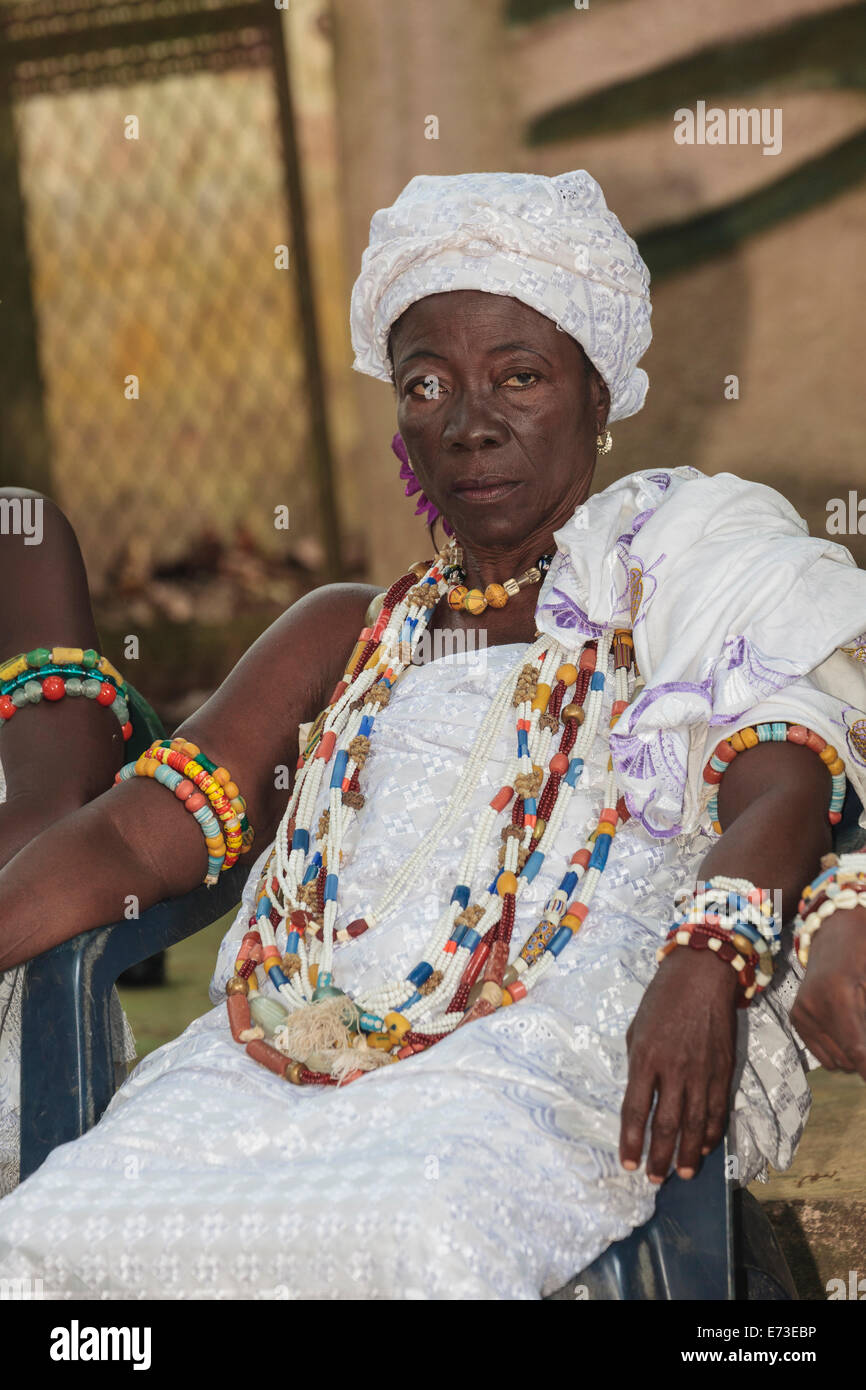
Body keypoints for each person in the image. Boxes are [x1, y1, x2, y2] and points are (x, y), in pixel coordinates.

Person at [0, 168, 865, 1300]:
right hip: (278, 1056)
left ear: (597, 395)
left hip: (542, 1053)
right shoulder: (342, 634)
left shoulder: (675, 569)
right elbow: (129, 843)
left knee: (420, 1240)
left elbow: (782, 775)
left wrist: (707, 958)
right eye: (425, 383)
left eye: (518, 377)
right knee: (46, 1239)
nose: (467, 424)